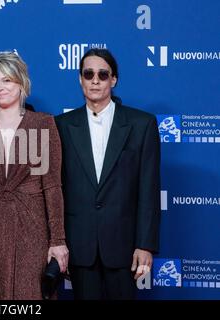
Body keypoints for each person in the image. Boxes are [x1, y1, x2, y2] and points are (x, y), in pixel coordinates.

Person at [0, 52, 69, 299]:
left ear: (21, 82)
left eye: (6, 80)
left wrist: (58, 240)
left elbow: (52, 187)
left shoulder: (43, 124)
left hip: (31, 228)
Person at [55, 48, 161, 300]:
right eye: (88, 73)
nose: (95, 80)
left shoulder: (142, 124)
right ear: (80, 79)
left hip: (124, 247)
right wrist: (57, 242)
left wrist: (145, 244)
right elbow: (54, 189)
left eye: (102, 74)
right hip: (79, 245)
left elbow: (149, 189)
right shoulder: (61, 126)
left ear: (113, 80)